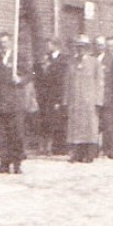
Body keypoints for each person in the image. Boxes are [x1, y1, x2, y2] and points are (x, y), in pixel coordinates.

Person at [0, 41, 24, 173]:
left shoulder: (17, 59)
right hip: (1, 103)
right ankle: (4, 164)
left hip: (15, 103)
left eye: (5, 47)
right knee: (2, 136)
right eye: (0, 48)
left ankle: (17, 164)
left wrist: (20, 79)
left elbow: (30, 74)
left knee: (16, 134)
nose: (3, 51)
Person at [65, 35, 100, 163]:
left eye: (83, 47)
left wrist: (98, 100)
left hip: (89, 101)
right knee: (75, 128)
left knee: (89, 127)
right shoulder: (72, 62)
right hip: (75, 101)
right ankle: (76, 154)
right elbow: (67, 82)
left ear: (87, 48)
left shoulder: (94, 62)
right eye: (78, 47)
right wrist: (66, 100)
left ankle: (89, 154)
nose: (80, 50)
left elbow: (99, 82)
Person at [34, 37, 69, 155]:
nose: (47, 48)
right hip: (44, 95)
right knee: (44, 120)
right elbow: (37, 75)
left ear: (55, 45)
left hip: (56, 95)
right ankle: (43, 146)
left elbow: (62, 80)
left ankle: (54, 147)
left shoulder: (63, 59)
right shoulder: (44, 59)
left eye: (49, 45)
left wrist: (59, 99)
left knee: (55, 121)